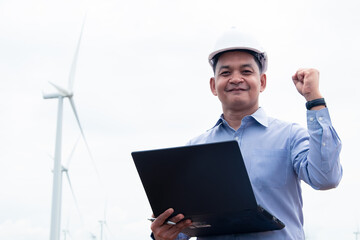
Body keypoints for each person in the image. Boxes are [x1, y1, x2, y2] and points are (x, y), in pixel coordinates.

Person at [149, 29, 343, 240]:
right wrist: (161, 235)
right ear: (214, 86)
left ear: (262, 82)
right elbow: (183, 229)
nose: (235, 79)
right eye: (225, 73)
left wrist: (313, 99)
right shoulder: (194, 149)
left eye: (246, 71)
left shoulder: (290, 136)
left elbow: (326, 178)